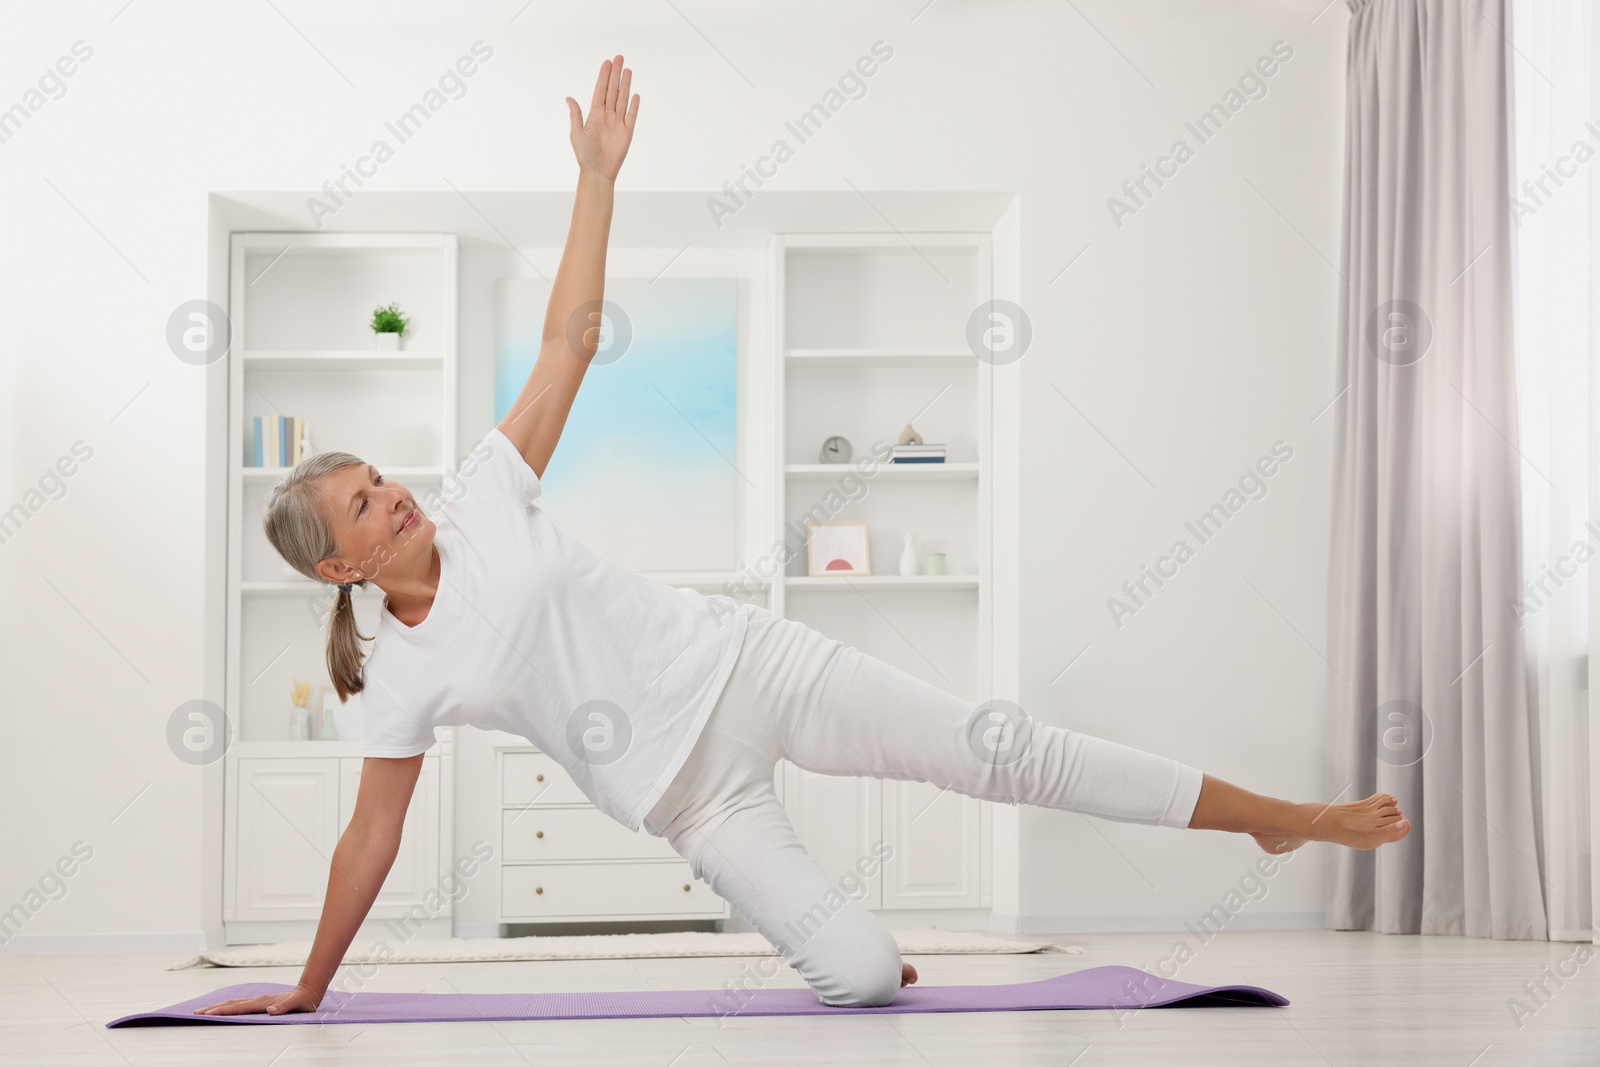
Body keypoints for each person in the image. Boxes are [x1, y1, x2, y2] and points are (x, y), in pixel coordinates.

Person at [196, 55, 1409, 1017]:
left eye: (377, 477)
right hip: (690, 801)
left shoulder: (482, 491)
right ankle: (855, 932)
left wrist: (598, 179)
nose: (392, 495)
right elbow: (372, 831)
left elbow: (568, 337)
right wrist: (312, 982)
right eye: (362, 505)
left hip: (753, 666)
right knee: (865, 976)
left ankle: (1282, 814)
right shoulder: (396, 674)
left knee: (1006, 752)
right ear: (341, 565)